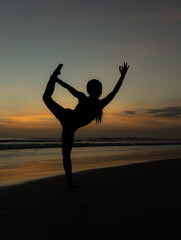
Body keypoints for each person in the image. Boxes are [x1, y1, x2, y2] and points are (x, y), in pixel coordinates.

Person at [43, 62, 129, 187]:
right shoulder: (99, 104)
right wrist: (122, 76)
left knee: (46, 97)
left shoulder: (88, 99)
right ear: (97, 91)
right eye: (100, 89)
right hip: (69, 122)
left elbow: (69, 88)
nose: (100, 91)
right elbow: (114, 91)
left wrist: (57, 80)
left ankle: (53, 75)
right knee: (66, 153)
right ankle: (69, 182)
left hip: (67, 120)